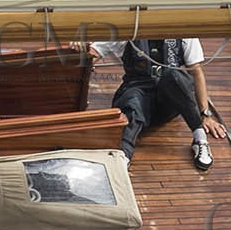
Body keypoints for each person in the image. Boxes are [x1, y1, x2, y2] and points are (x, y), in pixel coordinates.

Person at [87, 38, 224, 170]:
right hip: (138, 89)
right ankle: (123, 155)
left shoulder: (183, 32)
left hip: (168, 99)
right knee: (133, 103)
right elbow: (93, 53)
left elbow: (196, 71)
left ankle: (200, 138)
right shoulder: (129, 29)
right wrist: (80, 50)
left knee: (174, 75)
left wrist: (206, 114)